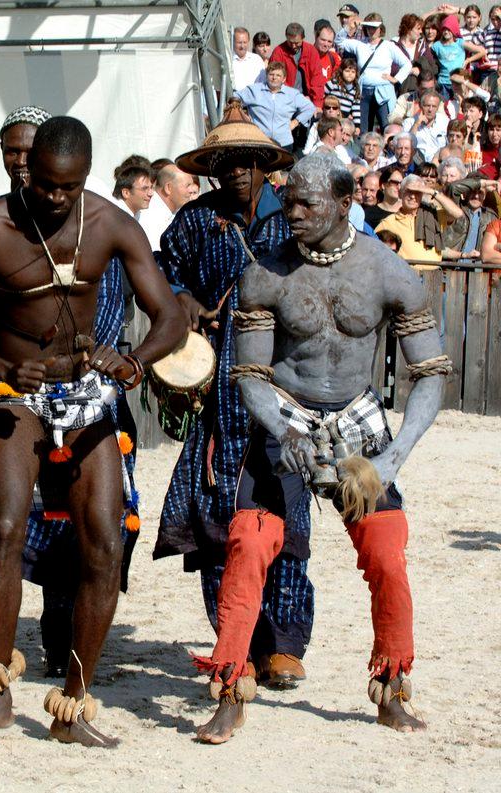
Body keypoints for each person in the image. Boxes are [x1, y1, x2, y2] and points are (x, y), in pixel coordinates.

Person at [192, 151, 448, 743]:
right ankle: (230, 687)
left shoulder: (390, 271)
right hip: (286, 418)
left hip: (361, 424)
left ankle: (392, 687)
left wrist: (395, 454)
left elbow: (430, 371)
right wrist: (286, 433)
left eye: (308, 203)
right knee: (249, 545)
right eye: (290, 200)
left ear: (344, 202)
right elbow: (250, 375)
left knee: (386, 553)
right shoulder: (266, 273)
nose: (294, 212)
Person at [0, 116, 186, 746]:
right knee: (3, 527)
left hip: (87, 392)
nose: (57, 197)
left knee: (105, 544)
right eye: (48, 184)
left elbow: (169, 316)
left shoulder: (110, 223)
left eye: (70, 186)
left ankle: (74, 704)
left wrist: (134, 360)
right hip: (12, 392)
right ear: (28, 171)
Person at [155, 100, 318, 693]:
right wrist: (181, 300)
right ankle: (236, 644)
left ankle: (285, 644)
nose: (235, 172)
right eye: (224, 162)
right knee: (220, 516)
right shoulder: (196, 220)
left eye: (246, 161)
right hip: (219, 385)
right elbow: (159, 270)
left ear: (264, 164)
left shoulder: (293, 220)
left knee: (286, 507)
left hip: (287, 378)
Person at [336, 13, 412, 133]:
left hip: (383, 91)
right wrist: (349, 27)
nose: (371, 30)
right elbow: (339, 41)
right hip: (363, 91)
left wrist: (396, 79)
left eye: (374, 27)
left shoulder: (389, 46)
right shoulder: (359, 44)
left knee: (387, 126)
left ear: (380, 29)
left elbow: (407, 64)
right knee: (362, 129)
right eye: (368, 27)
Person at [374, 173, 464, 260]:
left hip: (434, 274)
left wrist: (432, 192)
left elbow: (457, 214)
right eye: (408, 191)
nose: (413, 196)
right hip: (405, 273)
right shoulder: (388, 223)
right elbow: (374, 248)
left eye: (417, 192)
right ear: (400, 194)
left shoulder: (434, 215)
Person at [236, 61, 316, 150]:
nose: (274, 78)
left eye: (278, 75)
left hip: (284, 143)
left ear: (284, 79)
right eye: (271, 74)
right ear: (266, 76)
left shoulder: (292, 94)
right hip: (258, 142)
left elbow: (310, 108)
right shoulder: (254, 90)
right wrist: (242, 116)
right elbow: (233, 100)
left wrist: (295, 122)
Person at [269, 22, 328, 108]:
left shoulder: (311, 51)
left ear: (303, 38)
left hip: (307, 99)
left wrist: (317, 104)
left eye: (297, 43)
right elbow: (275, 79)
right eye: (290, 42)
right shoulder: (278, 52)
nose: (293, 46)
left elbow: (317, 79)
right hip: (284, 100)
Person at [431, 14, 486, 97]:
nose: (446, 32)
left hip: (458, 82)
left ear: (454, 30)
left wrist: (468, 60)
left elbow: (482, 51)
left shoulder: (460, 43)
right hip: (443, 83)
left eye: (449, 29)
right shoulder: (436, 46)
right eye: (444, 29)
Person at [144, 163, 195, 250]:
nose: (191, 191)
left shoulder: (173, 213)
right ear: (168, 188)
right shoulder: (150, 217)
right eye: (187, 186)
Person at [403, 90, 449, 161]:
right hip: (416, 163)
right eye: (427, 106)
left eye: (434, 106)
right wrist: (416, 124)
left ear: (437, 108)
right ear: (420, 106)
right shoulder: (409, 122)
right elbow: (406, 145)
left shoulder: (445, 122)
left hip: (439, 162)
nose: (430, 109)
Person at [324, 59, 362, 127]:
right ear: (341, 71)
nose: (350, 74)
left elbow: (356, 108)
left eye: (353, 72)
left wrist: (357, 125)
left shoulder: (355, 90)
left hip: (343, 121)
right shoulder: (333, 83)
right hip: (330, 117)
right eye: (347, 71)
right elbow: (321, 95)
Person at [314, 22, 342, 89]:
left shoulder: (334, 58)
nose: (326, 44)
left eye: (329, 41)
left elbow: (338, 81)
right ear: (316, 38)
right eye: (323, 40)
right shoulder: (306, 55)